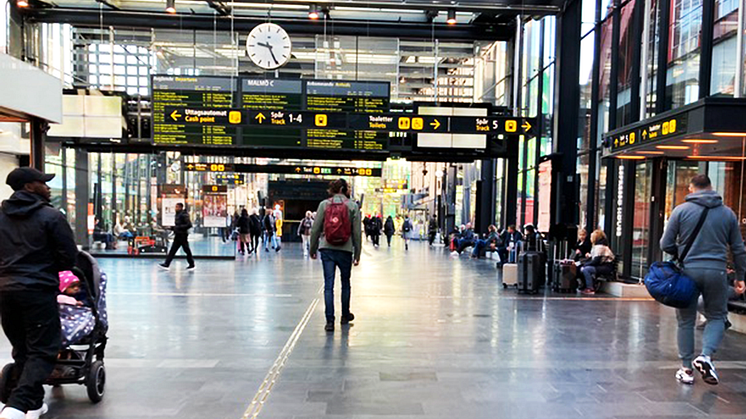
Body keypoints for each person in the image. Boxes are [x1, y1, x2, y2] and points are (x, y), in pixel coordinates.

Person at [0, 167, 78, 419]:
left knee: (22, 349)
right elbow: (68, 258)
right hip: (38, 290)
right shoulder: (51, 217)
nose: (48, 187)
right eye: (42, 183)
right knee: (43, 349)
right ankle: (16, 406)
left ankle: (33, 404)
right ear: (29, 187)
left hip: (5, 291)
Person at [660, 174, 746, 386]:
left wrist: (680, 254)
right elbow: (738, 249)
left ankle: (686, 369)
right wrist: (740, 277)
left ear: (691, 188)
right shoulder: (728, 214)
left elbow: (665, 243)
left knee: (686, 321)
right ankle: (706, 356)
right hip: (717, 272)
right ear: (711, 188)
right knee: (717, 316)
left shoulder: (680, 211)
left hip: (688, 271)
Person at [309, 179, 362, 332]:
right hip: (345, 250)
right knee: (345, 283)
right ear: (345, 189)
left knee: (328, 286)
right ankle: (345, 315)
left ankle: (329, 321)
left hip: (327, 249)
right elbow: (357, 233)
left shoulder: (324, 205)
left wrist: (313, 248)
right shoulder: (353, 206)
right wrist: (357, 253)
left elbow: (315, 229)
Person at [159, 203, 195, 271]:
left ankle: (191, 264)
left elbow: (188, 224)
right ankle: (167, 263)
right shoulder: (178, 214)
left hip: (182, 235)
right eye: (176, 207)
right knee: (174, 250)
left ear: (181, 207)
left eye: (177, 207)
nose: (176, 208)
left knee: (186, 249)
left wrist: (177, 228)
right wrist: (173, 228)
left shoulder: (184, 215)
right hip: (178, 234)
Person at [578, 229, 614, 295]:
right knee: (582, 267)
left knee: (586, 269)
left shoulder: (600, 247)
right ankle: (587, 285)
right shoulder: (600, 246)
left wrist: (585, 264)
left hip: (606, 267)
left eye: (592, 237)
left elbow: (596, 261)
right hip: (603, 265)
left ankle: (590, 288)